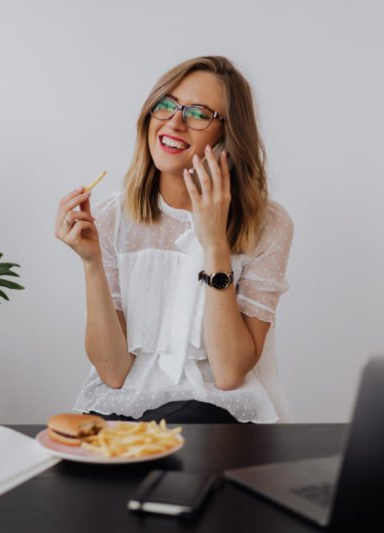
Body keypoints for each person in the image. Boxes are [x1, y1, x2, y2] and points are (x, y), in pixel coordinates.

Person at [54, 56, 294, 424]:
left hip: (215, 410)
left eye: (198, 113)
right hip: (125, 405)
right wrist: (91, 264)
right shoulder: (110, 217)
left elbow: (229, 373)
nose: (175, 122)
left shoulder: (269, 224)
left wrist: (214, 245)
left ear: (226, 136)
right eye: (166, 105)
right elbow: (113, 374)